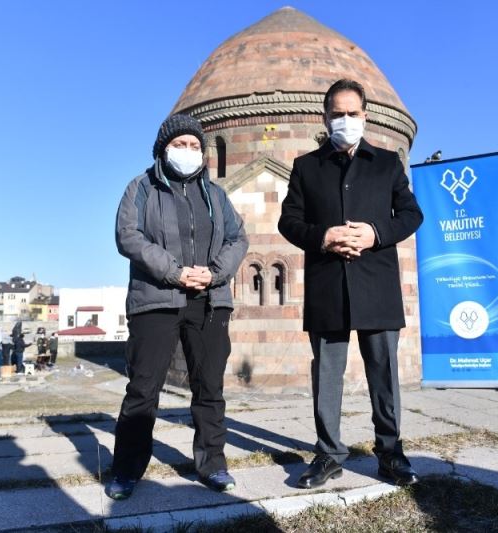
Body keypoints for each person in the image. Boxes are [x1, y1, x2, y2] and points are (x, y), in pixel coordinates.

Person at [278, 79, 424, 489]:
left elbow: (411, 215)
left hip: (375, 282)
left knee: (384, 371)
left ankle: (390, 453)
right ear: (325, 118)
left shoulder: (387, 163)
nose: (345, 120)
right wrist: (322, 236)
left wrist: (375, 234)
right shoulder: (307, 166)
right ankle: (328, 454)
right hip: (328, 283)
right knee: (327, 373)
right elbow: (288, 221)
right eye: (337, 114)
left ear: (365, 116)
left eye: (352, 113)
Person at [110, 113, 248, 500]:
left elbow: (238, 238)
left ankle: (212, 464)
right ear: (162, 149)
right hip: (156, 300)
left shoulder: (217, 195)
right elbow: (129, 236)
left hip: (208, 300)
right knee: (143, 388)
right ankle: (126, 470)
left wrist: (214, 274)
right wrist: (175, 272)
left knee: (209, 387)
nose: (187, 151)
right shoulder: (141, 188)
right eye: (179, 145)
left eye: (194, 146)